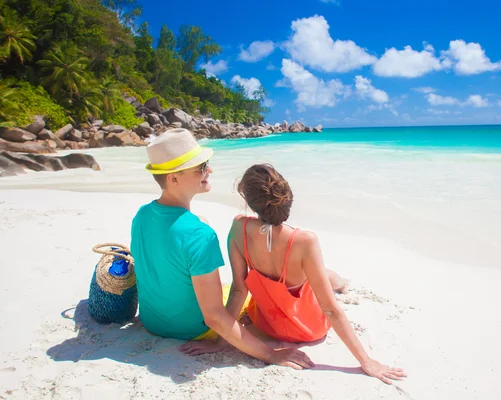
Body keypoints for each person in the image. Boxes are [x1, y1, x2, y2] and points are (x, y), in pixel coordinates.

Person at [181, 163, 407, 385]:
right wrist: (366, 361)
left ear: (248, 200)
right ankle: (343, 282)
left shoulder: (238, 227)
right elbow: (330, 309)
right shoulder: (304, 240)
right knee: (323, 275)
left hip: (266, 324)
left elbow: (239, 289)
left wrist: (221, 341)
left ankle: (339, 281)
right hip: (310, 331)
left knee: (315, 276)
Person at [130, 129, 313, 370]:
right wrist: (271, 354)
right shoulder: (200, 235)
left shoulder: (142, 215)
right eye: (201, 167)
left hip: (153, 321)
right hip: (193, 330)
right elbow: (214, 317)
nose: (210, 170)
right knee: (245, 289)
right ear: (173, 179)